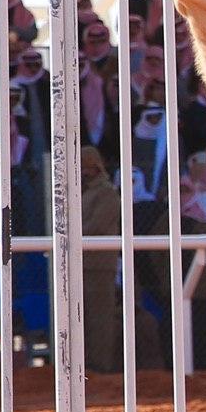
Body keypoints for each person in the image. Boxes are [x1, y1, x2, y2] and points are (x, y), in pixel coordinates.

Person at [80, 146, 122, 373]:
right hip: (83, 264)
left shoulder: (106, 193)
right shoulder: (84, 193)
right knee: (84, 316)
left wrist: (70, 234)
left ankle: (100, 365)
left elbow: (96, 225)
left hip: (99, 265)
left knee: (100, 317)